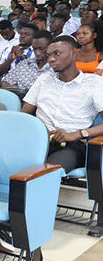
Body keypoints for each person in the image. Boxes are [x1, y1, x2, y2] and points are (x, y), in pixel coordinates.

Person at [23, 35, 103, 173]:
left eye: (57, 53)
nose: (51, 59)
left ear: (74, 53)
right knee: (7, 164)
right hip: (38, 140)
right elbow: (24, 114)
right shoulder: (44, 79)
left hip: (72, 144)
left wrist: (78, 134)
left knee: (43, 174)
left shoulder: (93, 83)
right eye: (49, 55)